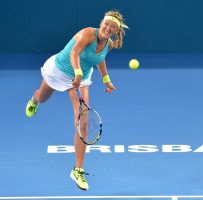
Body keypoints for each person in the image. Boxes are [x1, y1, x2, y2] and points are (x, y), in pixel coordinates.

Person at [25, 10, 128, 190]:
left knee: (83, 121)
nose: (108, 28)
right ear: (101, 23)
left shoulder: (109, 44)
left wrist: (106, 80)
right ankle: (34, 100)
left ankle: (77, 170)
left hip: (82, 78)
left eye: (112, 27)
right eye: (106, 24)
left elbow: (100, 59)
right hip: (59, 71)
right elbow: (74, 53)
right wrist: (78, 73)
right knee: (43, 96)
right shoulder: (88, 33)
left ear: (116, 31)